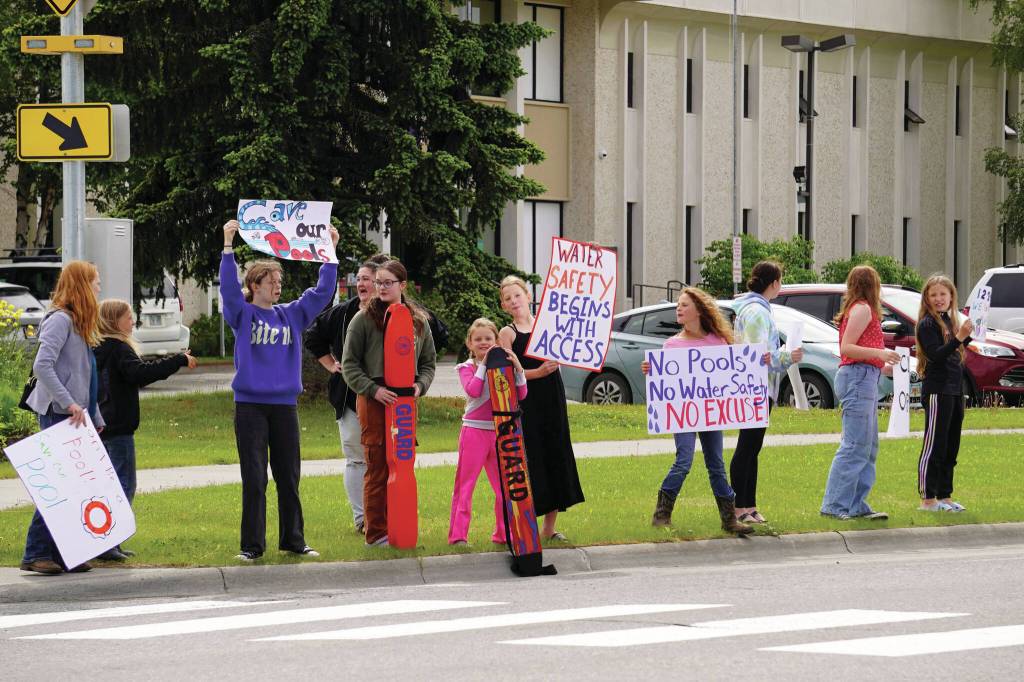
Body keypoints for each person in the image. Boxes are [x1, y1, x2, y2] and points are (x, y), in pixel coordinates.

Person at [221, 218, 339, 561]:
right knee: (255, 478)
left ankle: (293, 540)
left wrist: (328, 252)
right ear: (255, 284)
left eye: (280, 281)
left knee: (288, 477)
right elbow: (228, 288)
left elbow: (321, 294)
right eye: (272, 281)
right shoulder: (241, 314)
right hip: (250, 407)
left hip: (285, 407)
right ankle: (251, 546)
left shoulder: (292, 315)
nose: (278, 286)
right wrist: (228, 246)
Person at [641, 288, 753, 535]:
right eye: (678, 305)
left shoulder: (718, 341)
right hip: (684, 413)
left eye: (684, 305)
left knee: (716, 464)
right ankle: (662, 514)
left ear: (699, 311)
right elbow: (666, 381)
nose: (678, 309)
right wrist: (652, 370)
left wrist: (759, 363)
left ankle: (728, 519)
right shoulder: (671, 345)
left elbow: (734, 373)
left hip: (710, 412)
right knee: (684, 460)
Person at [341, 259, 436, 547]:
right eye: (377, 282)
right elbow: (349, 365)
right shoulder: (363, 319)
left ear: (402, 286)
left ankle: (401, 525)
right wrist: (373, 389)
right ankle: (377, 533)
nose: (379, 288)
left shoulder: (417, 321)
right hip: (374, 400)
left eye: (386, 283)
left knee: (403, 464)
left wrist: (420, 385)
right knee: (378, 466)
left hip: (405, 403)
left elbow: (428, 363)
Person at [94, 299, 198, 560]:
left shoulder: (98, 348)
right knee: (124, 485)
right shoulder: (119, 349)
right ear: (115, 321)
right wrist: (178, 360)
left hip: (102, 425)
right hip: (118, 428)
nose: (133, 322)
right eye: (129, 317)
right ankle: (108, 544)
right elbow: (140, 374)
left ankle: (107, 542)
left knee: (109, 487)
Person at [21, 260, 105, 575]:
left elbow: (87, 374)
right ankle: (37, 553)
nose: (99, 287)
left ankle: (65, 552)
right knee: (59, 486)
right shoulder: (59, 320)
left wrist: (93, 412)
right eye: (95, 281)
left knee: (75, 488)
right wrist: (70, 403)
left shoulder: (77, 321)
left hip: (74, 415)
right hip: (58, 414)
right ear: (82, 285)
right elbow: (43, 366)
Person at [498, 275, 584, 541]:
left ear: (528, 296)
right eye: (508, 298)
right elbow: (506, 375)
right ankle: (526, 525)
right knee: (531, 456)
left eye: (517, 295)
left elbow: (578, 312)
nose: (514, 301)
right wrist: (537, 372)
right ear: (503, 305)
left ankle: (549, 527)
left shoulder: (547, 323)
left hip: (552, 396)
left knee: (556, 451)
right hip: (526, 399)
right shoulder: (507, 333)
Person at [303, 257, 384, 534]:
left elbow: (432, 333)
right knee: (356, 457)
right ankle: (362, 519)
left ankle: (387, 513)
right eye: (359, 278)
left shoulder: (397, 313)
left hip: (389, 397)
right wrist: (330, 365)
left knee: (387, 456)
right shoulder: (341, 313)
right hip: (349, 396)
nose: (361, 284)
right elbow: (312, 337)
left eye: (367, 279)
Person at [820, 265, 901, 521]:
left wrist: (883, 366)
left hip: (864, 377)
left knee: (867, 445)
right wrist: (880, 355)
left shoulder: (859, 309)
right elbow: (848, 348)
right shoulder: (863, 309)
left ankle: (856, 504)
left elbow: (858, 349)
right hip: (857, 379)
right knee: (855, 444)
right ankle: (834, 505)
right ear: (873, 285)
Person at [730, 261, 803, 524]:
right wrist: (787, 356)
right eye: (780, 281)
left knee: (752, 447)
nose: (780, 286)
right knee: (747, 447)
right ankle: (739, 506)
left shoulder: (755, 309)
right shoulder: (757, 312)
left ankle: (749, 505)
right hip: (754, 388)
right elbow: (757, 355)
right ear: (773, 283)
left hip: (758, 387)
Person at [449, 318, 527, 546]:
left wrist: (519, 368)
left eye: (488, 339)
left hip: (500, 431)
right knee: (465, 486)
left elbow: (521, 395)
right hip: (473, 432)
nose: (483, 343)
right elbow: (473, 390)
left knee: (504, 487)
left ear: (496, 341)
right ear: (470, 343)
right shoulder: (466, 368)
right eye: (478, 339)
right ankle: (458, 536)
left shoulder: (504, 366)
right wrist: (484, 364)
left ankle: (503, 534)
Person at [915, 274, 973, 512]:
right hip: (938, 390)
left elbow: (955, 348)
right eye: (934, 295)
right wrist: (958, 338)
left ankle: (945, 496)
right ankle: (928, 499)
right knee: (935, 445)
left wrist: (966, 335)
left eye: (943, 294)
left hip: (954, 389)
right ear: (927, 299)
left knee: (951, 444)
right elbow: (936, 354)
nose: (939, 299)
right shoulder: (927, 324)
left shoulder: (949, 321)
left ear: (951, 296)